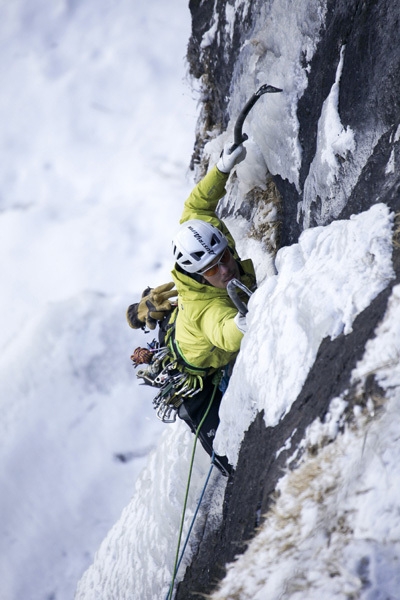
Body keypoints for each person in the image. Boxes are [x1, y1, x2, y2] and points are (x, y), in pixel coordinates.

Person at [127, 141, 256, 475]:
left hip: (181, 331)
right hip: (193, 377)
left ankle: (149, 314)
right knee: (229, 453)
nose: (225, 270)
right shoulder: (205, 308)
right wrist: (242, 324)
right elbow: (223, 332)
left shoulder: (205, 233)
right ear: (197, 273)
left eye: (224, 258)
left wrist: (222, 168)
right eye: (212, 270)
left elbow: (197, 203)